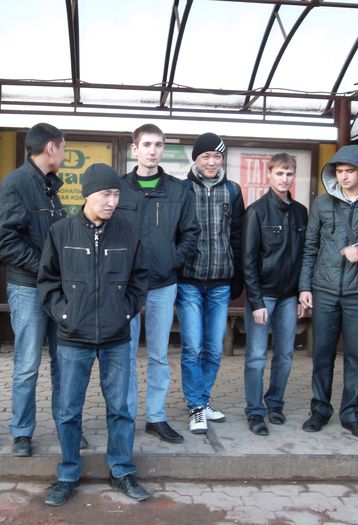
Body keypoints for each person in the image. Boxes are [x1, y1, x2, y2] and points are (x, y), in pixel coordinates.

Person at [37, 164, 149, 506]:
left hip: (116, 336)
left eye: (116, 194)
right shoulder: (61, 232)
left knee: (121, 409)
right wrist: (65, 315)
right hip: (73, 337)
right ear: (87, 194)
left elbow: (140, 279)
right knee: (69, 410)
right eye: (105, 194)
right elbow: (47, 282)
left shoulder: (128, 233)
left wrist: (125, 312)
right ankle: (68, 474)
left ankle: (122, 471)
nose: (112, 201)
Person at [0, 123, 79, 457]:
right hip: (28, 288)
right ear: (51, 147)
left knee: (64, 362)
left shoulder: (49, 186)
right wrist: (44, 268)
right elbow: (3, 242)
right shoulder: (17, 183)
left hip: (56, 290)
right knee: (27, 364)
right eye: (63, 148)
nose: (65, 155)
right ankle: (22, 432)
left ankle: (66, 428)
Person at [116, 123, 199, 444]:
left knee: (159, 355)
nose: (153, 150)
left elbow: (191, 233)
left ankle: (156, 417)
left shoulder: (179, 191)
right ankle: (125, 416)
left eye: (159, 145)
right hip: (126, 286)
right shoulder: (119, 189)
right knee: (124, 354)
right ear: (134, 149)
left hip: (163, 285)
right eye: (147, 144)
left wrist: (172, 260)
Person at [298, 145, 358, 440]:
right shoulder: (322, 203)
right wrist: (305, 286)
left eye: (350, 171)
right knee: (322, 353)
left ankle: (352, 414)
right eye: (339, 172)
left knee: (356, 356)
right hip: (325, 288)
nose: (343, 177)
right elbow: (310, 247)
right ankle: (319, 410)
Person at [176, 132, 244, 434]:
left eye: (217, 156)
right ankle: (196, 406)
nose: (212, 162)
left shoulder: (232, 190)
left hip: (220, 282)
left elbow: (237, 236)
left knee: (214, 349)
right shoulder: (182, 190)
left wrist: (237, 276)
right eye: (206, 156)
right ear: (196, 159)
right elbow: (175, 234)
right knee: (192, 347)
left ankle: (202, 401)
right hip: (188, 281)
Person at [242, 153, 307, 436]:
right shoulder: (256, 211)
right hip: (264, 296)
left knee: (285, 355)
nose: (284, 179)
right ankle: (255, 412)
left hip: (290, 296)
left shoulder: (301, 212)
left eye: (289, 173)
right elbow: (248, 260)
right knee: (256, 356)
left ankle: (275, 404)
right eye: (279, 173)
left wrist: (303, 292)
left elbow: (305, 256)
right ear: (269, 174)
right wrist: (256, 301)